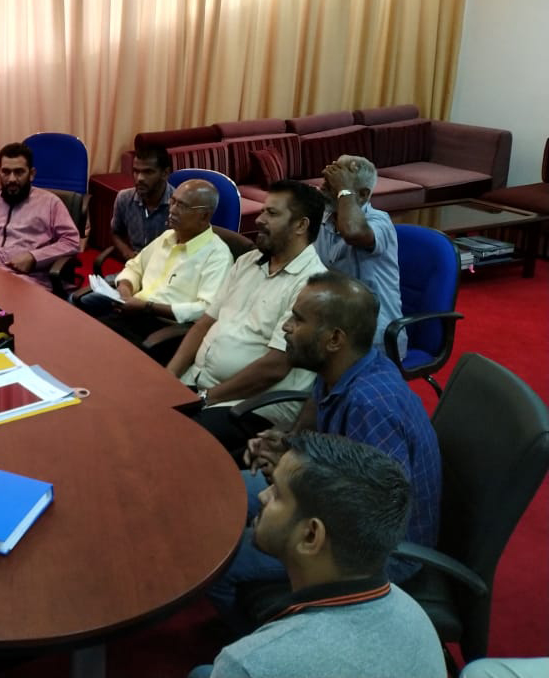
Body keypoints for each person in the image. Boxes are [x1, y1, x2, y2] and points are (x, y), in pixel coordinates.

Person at [205, 271, 441, 634]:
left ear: (334, 339)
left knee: (220, 563)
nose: (285, 327)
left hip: (379, 552)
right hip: (334, 504)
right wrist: (285, 445)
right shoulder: (337, 368)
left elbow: (376, 518)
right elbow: (313, 434)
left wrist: (292, 476)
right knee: (224, 494)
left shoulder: (370, 405)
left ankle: (265, 649)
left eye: (298, 319)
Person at [189, 432, 446, 678]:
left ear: (311, 535)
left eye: (277, 493)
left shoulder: (249, 663)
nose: (262, 495)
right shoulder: (416, 616)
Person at [166, 180, 327, 455]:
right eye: (263, 210)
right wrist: (169, 377)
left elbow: (274, 367)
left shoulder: (312, 285)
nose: (260, 219)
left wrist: (205, 398)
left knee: (172, 438)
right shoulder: (247, 262)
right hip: (201, 383)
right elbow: (205, 323)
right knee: (142, 407)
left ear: (301, 225)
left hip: (252, 403)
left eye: (272, 213)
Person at [78, 180, 233, 363]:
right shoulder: (167, 237)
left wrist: (148, 307)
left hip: (166, 330)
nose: (172, 210)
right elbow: (135, 267)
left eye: (182, 206)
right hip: (133, 313)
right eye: (173, 201)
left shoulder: (218, 256)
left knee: (101, 354)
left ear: (204, 215)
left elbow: (206, 310)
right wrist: (125, 290)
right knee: (83, 337)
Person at [0, 142, 80, 290]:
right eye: (6, 172)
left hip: (26, 280)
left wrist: (34, 257)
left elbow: (71, 241)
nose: (11, 179)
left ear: (31, 174)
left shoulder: (50, 203)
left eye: (19, 172)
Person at [314, 154, 405, 354]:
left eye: (335, 185)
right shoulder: (322, 218)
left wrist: (343, 188)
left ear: (362, 195)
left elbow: (353, 231)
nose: (324, 187)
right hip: (333, 326)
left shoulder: (379, 221)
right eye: (327, 182)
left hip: (374, 337)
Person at [109, 147, 173, 264]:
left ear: (165, 173)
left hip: (166, 268)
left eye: (148, 172)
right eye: (136, 171)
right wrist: (127, 253)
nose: (140, 178)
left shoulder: (179, 205)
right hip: (135, 266)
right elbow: (115, 233)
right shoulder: (124, 198)